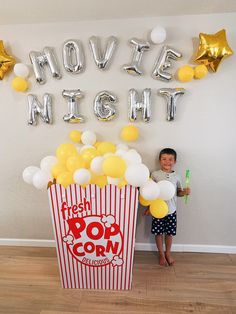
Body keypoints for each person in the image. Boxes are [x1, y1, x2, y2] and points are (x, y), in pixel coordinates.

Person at [144, 148, 190, 266]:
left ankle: (168, 253)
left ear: (175, 161)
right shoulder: (155, 175)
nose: (167, 162)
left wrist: (184, 192)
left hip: (171, 211)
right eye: (164, 159)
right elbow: (150, 193)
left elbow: (178, 193)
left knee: (169, 233)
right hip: (157, 210)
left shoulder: (177, 177)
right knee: (158, 233)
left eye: (170, 159)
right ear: (160, 160)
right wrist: (149, 208)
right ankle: (161, 254)